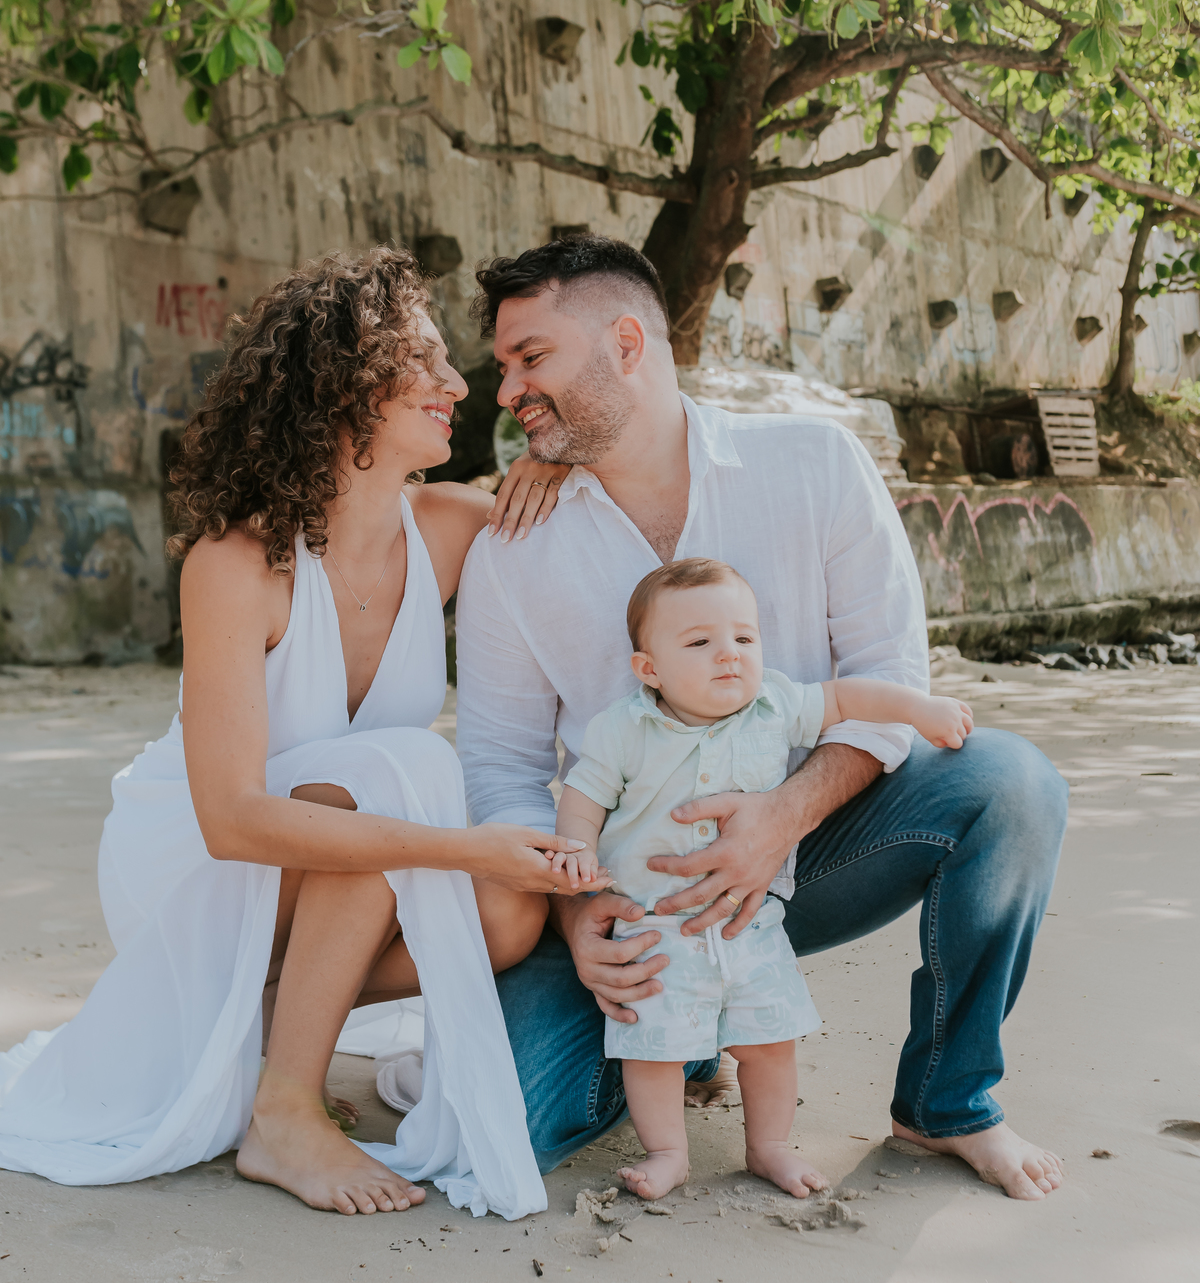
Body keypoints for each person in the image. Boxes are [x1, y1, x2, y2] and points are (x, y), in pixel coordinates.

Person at [455, 235, 1069, 1202]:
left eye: (531, 359)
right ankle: (696, 1032)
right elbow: (499, 769)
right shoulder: (512, 550)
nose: (508, 391)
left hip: (807, 851)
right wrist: (577, 915)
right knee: (496, 1128)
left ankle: (946, 1104)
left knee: (1012, 784)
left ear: (626, 343)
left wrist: (780, 817)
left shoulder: (814, 465)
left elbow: (886, 679)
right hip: (633, 892)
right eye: (504, 367)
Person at [0, 246, 584, 1220]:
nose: (457, 384)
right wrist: (459, 846)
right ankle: (282, 1111)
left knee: (507, 915)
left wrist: (553, 468)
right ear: (344, 386)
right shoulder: (237, 563)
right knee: (403, 769)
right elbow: (231, 819)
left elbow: (600, 555)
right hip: (192, 860)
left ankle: (273, 1018)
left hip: (330, 859)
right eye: (425, 360)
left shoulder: (453, 529)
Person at [549, 556, 975, 1202]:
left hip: (751, 919)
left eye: (744, 637)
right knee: (652, 1050)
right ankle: (667, 1153)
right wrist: (578, 855)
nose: (730, 654)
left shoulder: (773, 703)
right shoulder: (622, 730)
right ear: (649, 669)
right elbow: (583, 797)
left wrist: (919, 707)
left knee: (771, 1042)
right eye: (700, 642)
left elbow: (847, 698)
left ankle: (768, 1146)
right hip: (654, 926)